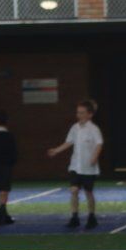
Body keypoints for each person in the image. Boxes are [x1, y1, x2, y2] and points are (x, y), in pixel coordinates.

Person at [47, 98, 103, 229]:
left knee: (88, 192)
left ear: (90, 114)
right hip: (75, 166)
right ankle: (74, 217)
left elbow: (99, 143)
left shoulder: (94, 129)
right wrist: (56, 150)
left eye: (82, 112)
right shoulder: (75, 128)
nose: (79, 115)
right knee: (74, 190)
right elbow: (69, 142)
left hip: (88, 168)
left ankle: (91, 216)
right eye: (78, 112)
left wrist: (94, 157)